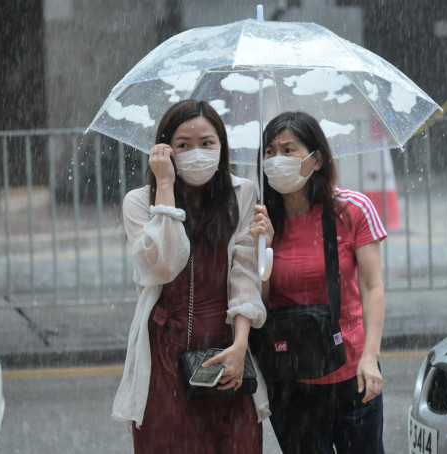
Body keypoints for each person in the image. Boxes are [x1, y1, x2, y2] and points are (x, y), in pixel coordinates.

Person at [113, 99, 269, 453]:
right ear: (164, 149)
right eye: (183, 145)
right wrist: (165, 188)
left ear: (221, 147)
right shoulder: (139, 203)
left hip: (226, 344)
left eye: (207, 143)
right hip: (163, 351)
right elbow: (166, 264)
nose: (196, 152)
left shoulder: (242, 194)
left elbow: (244, 275)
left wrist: (240, 344)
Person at [249, 111, 387, 453]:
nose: (276, 159)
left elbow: (372, 287)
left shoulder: (352, 209)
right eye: (269, 151)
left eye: (288, 149)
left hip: (352, 370)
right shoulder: (260, 219)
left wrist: (370, 357)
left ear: (317, 158)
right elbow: (260, 300)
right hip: (291, 379)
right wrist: (262, 247)